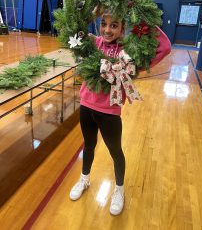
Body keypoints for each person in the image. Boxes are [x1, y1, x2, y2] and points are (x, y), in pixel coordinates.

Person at [69, 12, 171, 215]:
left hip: (109, 113)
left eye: (114, 25)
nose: (107, 30)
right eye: (104, 24)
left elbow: (165, 47)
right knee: (88, 146)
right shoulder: (93, 43)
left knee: (115, 152)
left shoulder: (129, 52)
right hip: (86, 106)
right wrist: (92, 12)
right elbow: (72, 28)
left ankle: (119, 190)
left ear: (123, 28)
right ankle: (84, 179)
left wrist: (141, 16)